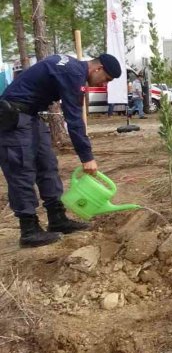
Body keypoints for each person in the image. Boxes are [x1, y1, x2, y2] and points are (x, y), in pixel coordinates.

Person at [0, 53, 121, 247]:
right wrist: (87, 157)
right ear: (97, 69)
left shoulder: (72, 67)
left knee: (47, 165)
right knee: (22, 171)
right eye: (106, 79)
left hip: (30, 115)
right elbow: (73, 119)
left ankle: (57, 218)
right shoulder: (73, 73)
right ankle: (29, 230)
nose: (104, 84)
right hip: (13, 117)